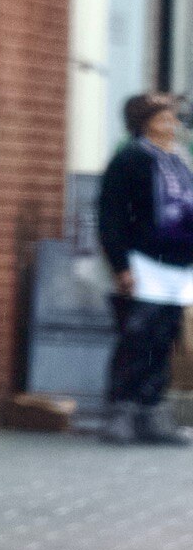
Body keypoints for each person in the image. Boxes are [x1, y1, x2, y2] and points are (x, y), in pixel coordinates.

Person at [97, 91, 193, 445]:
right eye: (163, 118)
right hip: (143, 261)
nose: (171, 124)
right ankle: (121, 409)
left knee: (164, 337)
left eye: (172, 118)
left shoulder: (180, 160)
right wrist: (120, 264)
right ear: (144, 123)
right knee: (136, 336)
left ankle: (152, 410)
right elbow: (112, 214)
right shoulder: (130, 160)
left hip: (179, 265)